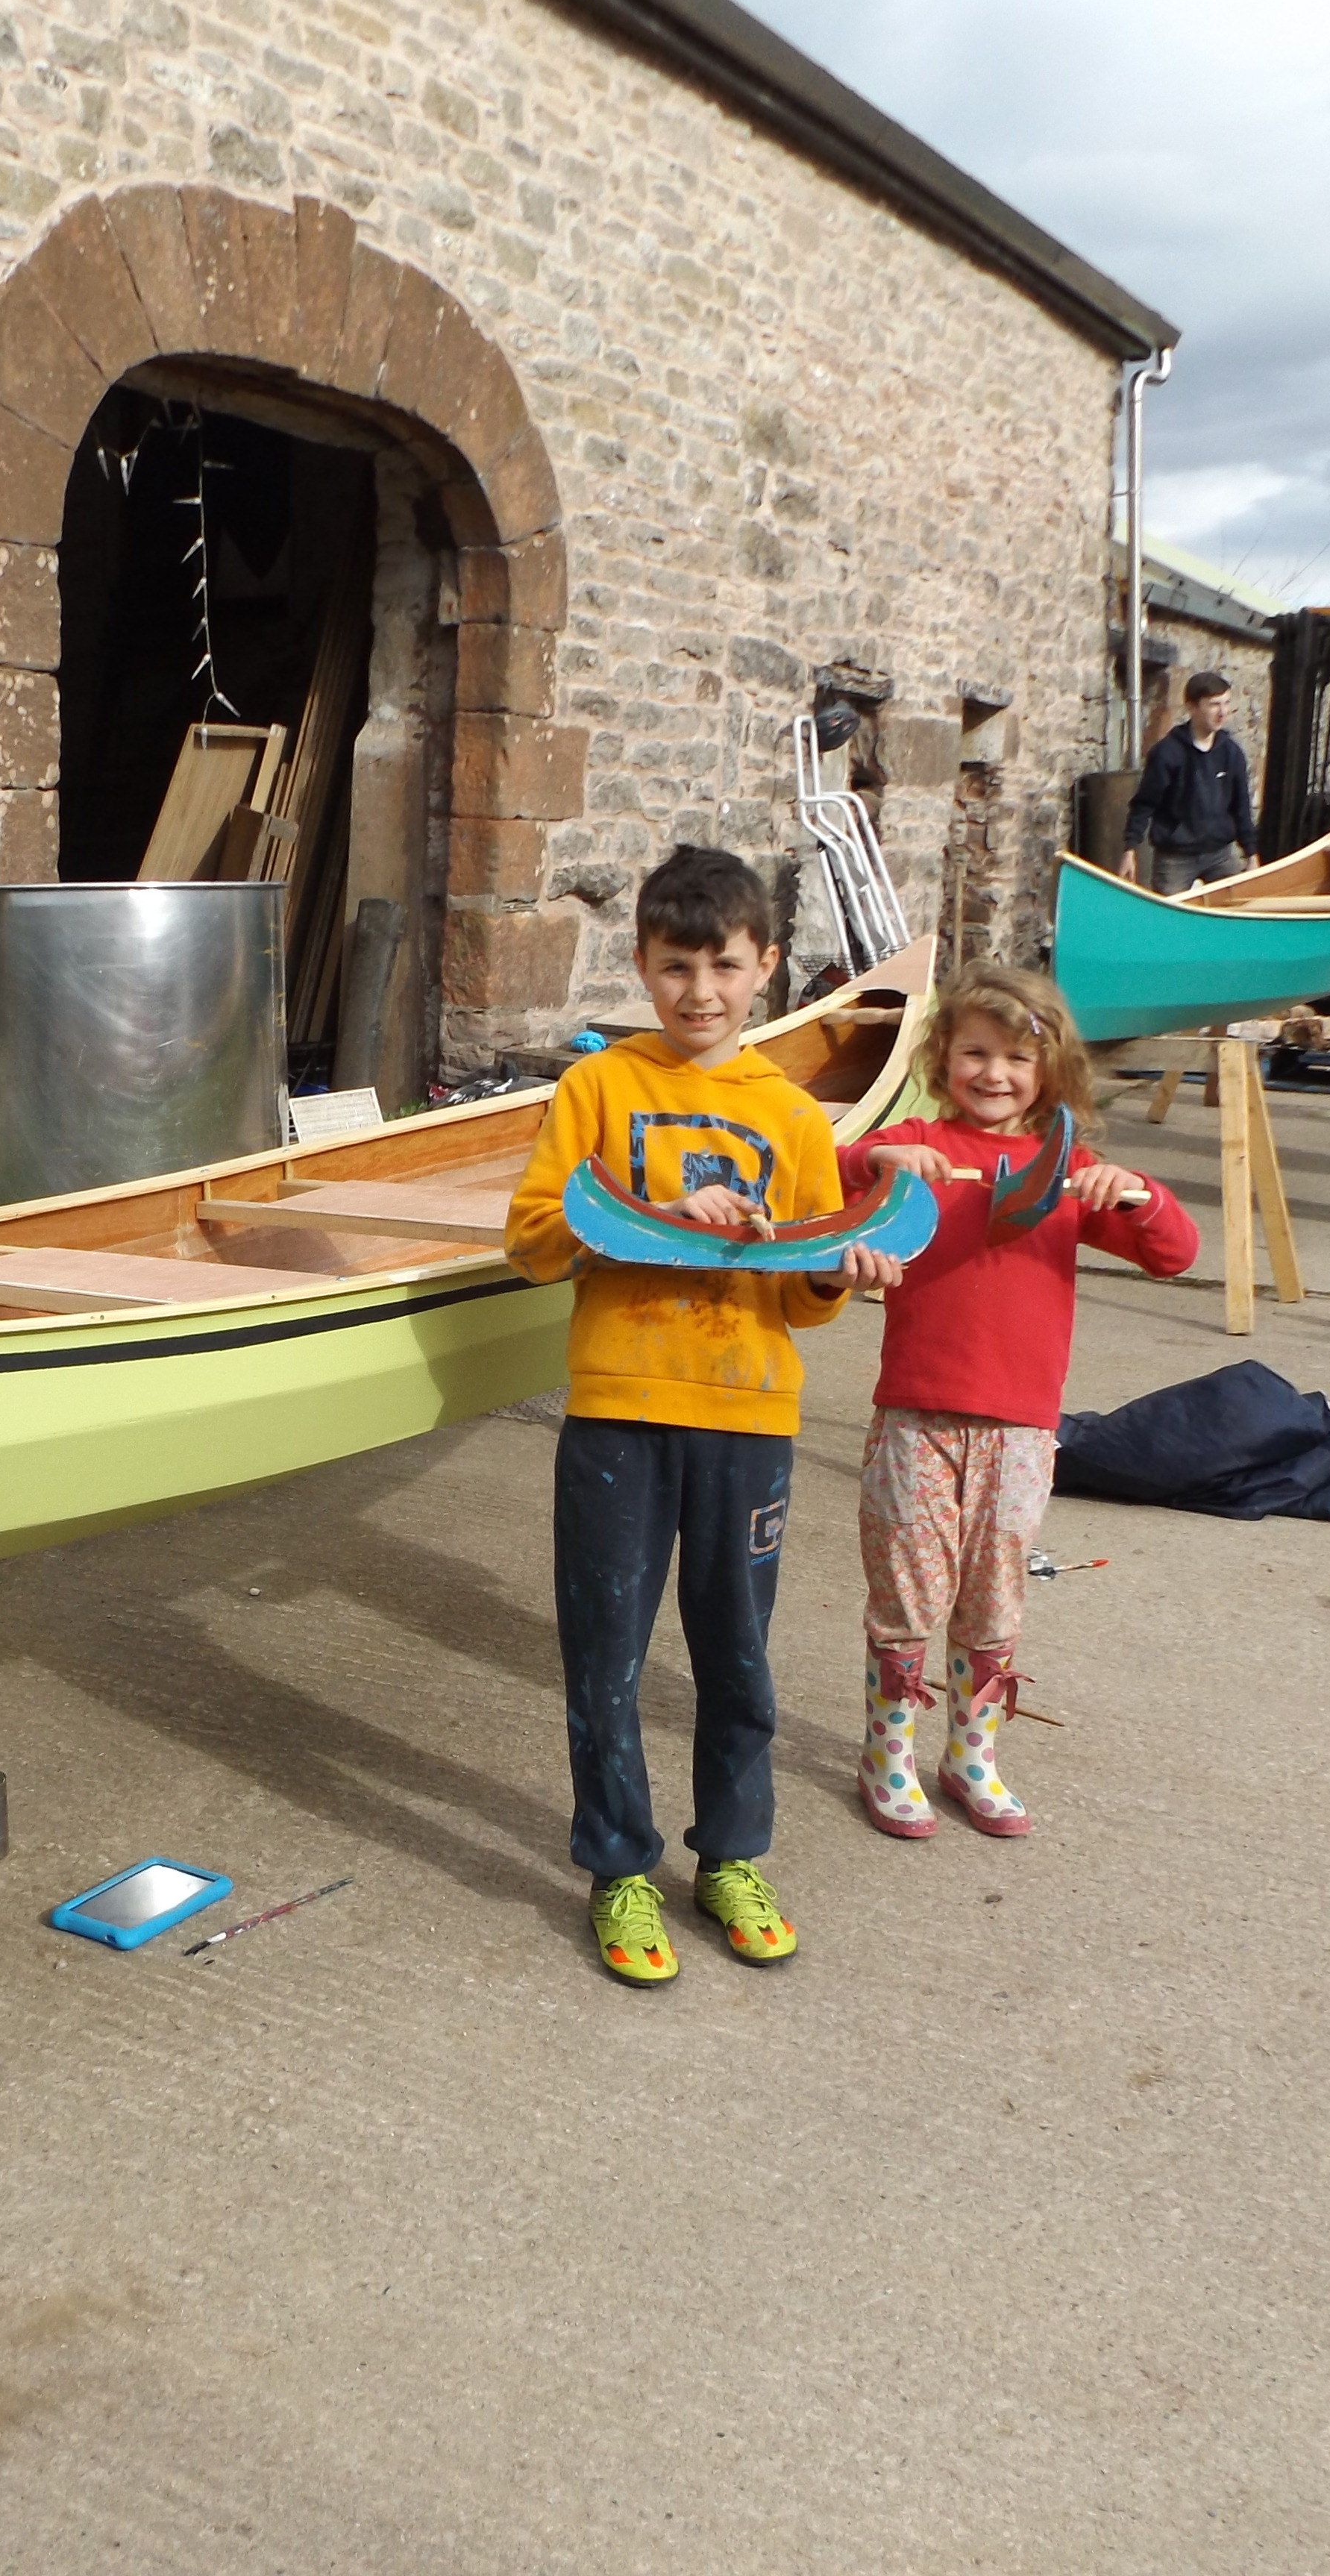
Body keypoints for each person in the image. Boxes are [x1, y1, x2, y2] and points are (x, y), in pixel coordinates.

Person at [504, 846, 902, 1988]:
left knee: (736, 1654)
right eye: (676, 967)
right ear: (641, 964)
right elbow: (533, 1242)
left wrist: (840, 1271)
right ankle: (618, 1865)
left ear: (767, 968)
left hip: (748, 1419)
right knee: (606, 1656)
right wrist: (655, 1212)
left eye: (725, 966)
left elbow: (801, 1291)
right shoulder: (596, 1091)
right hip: (619, 1412)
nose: (700, 993)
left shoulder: (789, 1115)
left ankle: (731, 1854)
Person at [841, 970, 1196, 1839]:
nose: (993, 1072)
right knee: (906, 1592)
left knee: (994, 1598)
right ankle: (887, 1755)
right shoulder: (920, 1142)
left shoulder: (1068, 1169)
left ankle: (973, 1756)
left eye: (1016, 1057)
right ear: (942, 1057)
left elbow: (1176, 1253)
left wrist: (1139, 1192)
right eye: (974, 1052)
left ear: (1051, 1069)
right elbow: (840, 1169)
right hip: (917, 1415)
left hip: (1023, 1428)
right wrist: (884, 1158)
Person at [1123, 670, 1254, 894]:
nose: (1222, 713)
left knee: (1240, 909)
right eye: (1214, 705)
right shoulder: (1167, 753)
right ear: (1192, 707)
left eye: (1227, 703)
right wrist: (1130, 849)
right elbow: (1144, 803)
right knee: (1168, 920)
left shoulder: (1232, 754)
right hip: (1175, 858)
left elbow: (1241, 808)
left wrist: (1252, 854)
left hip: (1220, 855)